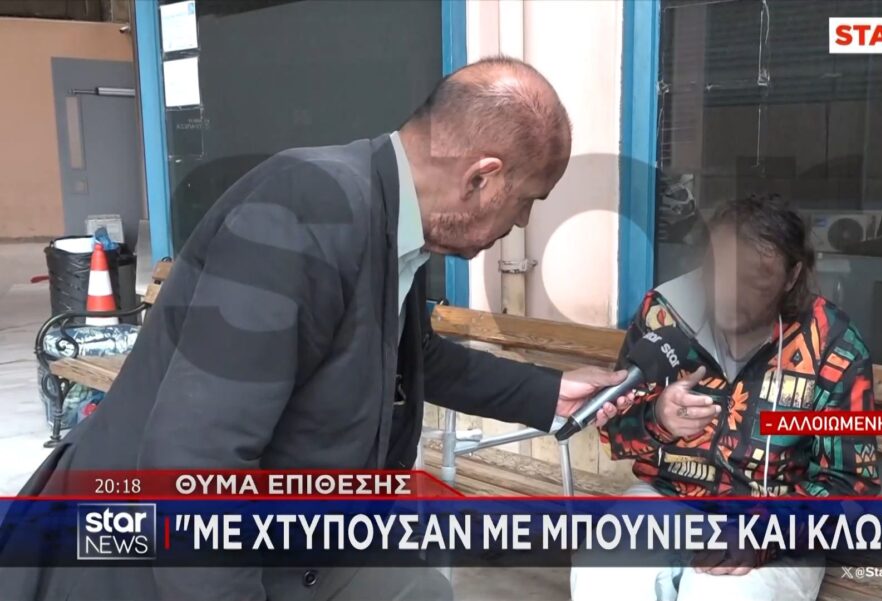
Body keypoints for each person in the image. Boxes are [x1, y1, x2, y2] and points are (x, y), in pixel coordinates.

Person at [1, 57, 630, 601]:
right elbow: (194, 461)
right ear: (481, 178)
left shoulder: (388, 220)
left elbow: (416, 359)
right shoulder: (304, 212)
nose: (520, 224)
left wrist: (550, 393)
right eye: (526, 201)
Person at [573, 194, 881, 601]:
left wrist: (765, 534)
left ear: (792, 277)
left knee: (719, 594)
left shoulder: (832, 342)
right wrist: (657, 417)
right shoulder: (666, 313)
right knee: (604, 577)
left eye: (756, 279)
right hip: (668, 497)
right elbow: (614, 429)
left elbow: (852, 483)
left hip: (777, 522)